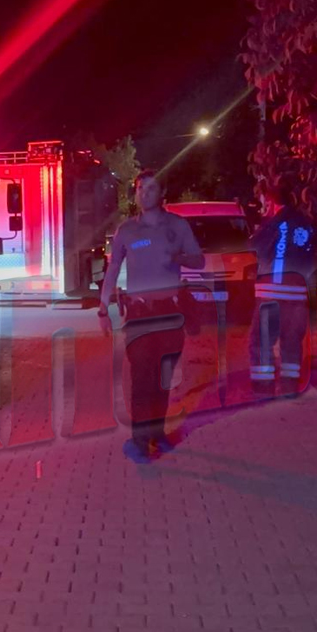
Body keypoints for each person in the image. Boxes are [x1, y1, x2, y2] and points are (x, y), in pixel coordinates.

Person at [98, 170, 205, 462]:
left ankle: (157, 433)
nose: (144, 193)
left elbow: (199, 260)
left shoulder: (178, 226)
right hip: (139, 315)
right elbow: (112, 270)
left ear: (162, 193)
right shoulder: (126, 231)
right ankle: (141, 439)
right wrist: (103, 309)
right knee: (142, 378)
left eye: (151, 188)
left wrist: (179, 257)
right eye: (140, 188)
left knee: (163, 379)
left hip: (170, 313)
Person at [247, 180, 317, 397]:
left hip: (271, 295)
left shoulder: (272, 224)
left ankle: (263, 388)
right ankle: (289, 387)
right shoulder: (306, 224)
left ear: (271, 202)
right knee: (292, 343)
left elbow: (254, 247)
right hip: (298, 295)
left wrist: (262, 223)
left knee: (261, 342)